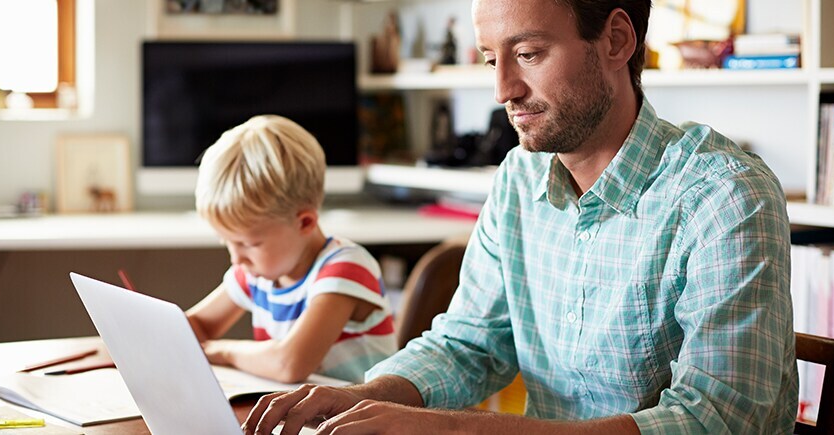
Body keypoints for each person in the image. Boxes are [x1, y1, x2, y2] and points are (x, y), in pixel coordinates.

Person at [243, 0, 798, 433]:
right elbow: (470, 344)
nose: (503, 89)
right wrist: (368, 395)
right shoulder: (518, 178)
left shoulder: (726, 195)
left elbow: (717, 422)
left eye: (528, 54)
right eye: (491, 59)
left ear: (617, 40)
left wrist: (451, 429)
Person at [185, 115, 398, 384]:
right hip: (300, 415)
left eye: (249, 244)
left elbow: (289, 363)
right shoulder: (255, 272)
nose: (235, 258)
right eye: (226, 241)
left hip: (356, 420)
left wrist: (223, 351)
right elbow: (198, 326)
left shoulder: (346, 269)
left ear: (305, 222)